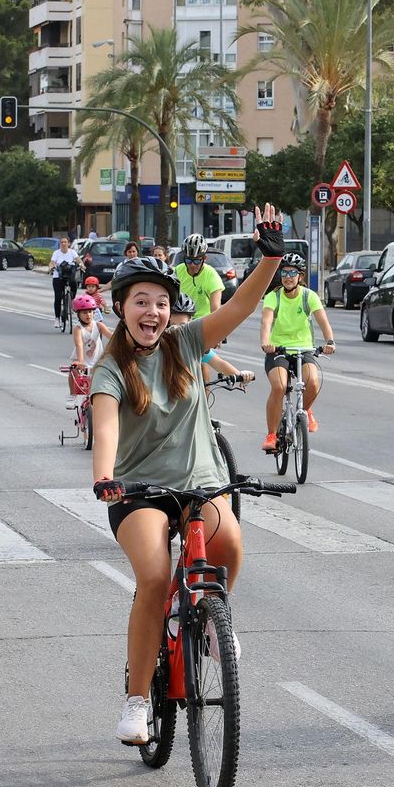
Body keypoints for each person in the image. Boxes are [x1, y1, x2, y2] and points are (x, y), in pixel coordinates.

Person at [91, 204, 285, 744]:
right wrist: (104, 475)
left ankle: (211, 619)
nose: (151, 312)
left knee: (229, 545)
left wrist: (270, 255)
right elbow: (105, 429)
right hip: (137, 491)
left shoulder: (185, 343)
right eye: (140, 303)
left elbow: (243, 304)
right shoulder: (109, 369)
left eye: (159, 303)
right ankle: (136, 701)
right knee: (154, 578)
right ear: (122, 309)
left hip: (199, 478)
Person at [259, 252, 335, 452]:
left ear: (300, 276)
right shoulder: (273, 296)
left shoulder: (308, 296)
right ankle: (272, 434)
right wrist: (266, 342)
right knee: (279, 386)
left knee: (313, 382)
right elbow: (266, 321)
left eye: (292, 272)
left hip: (304, 347)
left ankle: (306, 410)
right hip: (279, 349)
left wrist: (330, 341)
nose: (288, 277)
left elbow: (322, 320)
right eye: (284, 272)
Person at [171, 295, 254, 384]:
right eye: (171, 325)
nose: (176, 330)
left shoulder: (193, 345)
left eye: (182, 325)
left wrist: (242, 375)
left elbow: (219, 363)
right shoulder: (159, 344)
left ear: (190, 322)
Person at [67, 293, 111, 404]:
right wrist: (81, 361)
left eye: (90, 312)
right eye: (84, 312)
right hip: (82, 360)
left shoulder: (99, 325)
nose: (88, 315)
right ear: (78, 314)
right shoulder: (78, 329)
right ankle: (72, 395)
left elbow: (112, 337)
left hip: (98, 360)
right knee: (73, 371)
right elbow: (79, 345)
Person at [175, 234, 223, 318]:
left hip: (202, 321)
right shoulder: (177, 271)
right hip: (181, 319)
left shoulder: (211, 275)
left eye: (196, 261)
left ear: (204, 258)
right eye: (188, 260)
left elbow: (215, 310)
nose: (192, 265)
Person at [48, 237, 81, 326]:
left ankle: (72, 300)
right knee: (58, 297)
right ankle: (57, 318)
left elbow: (78, 260)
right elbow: (52, 262)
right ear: (60, 244)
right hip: (58, 277)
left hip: (69, 276)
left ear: (68, 243)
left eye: (65, 242)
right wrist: (51, 267)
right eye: (61, 242)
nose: (63, 244)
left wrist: (82, 265)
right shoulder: (56, 253)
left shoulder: (72, 252)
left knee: (74, 283)